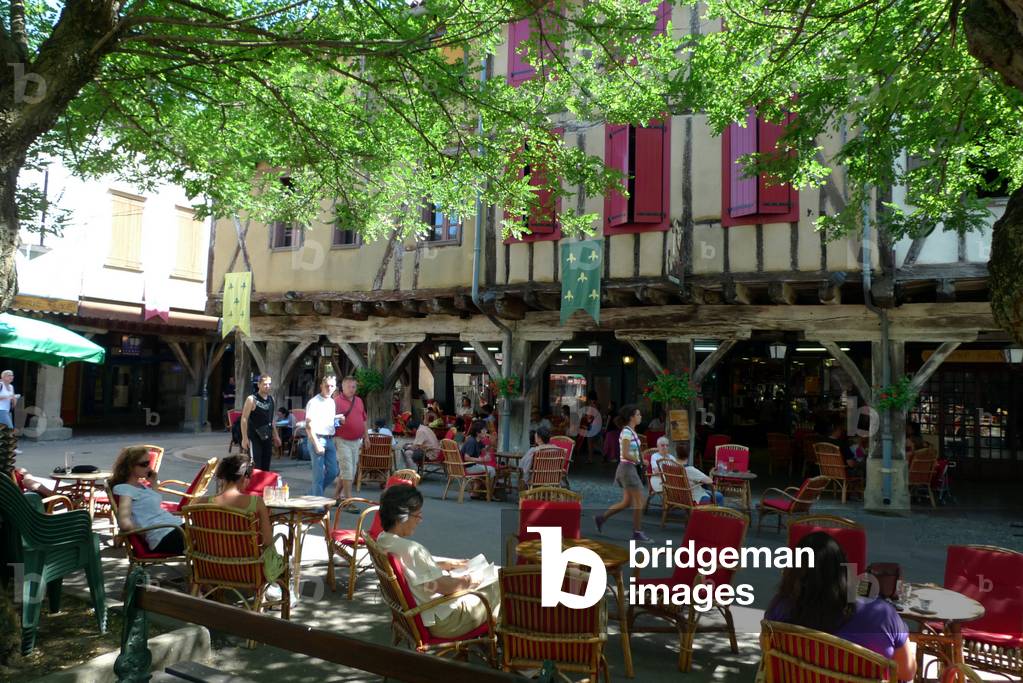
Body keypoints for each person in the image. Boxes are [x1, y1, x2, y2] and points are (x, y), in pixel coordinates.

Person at [765, 532, 917, 682]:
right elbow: (907, 673)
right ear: (844, 569)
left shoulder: (780, 607)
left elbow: (768, 653)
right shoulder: (882, 614)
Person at [374, 485, 500, 638]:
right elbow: (443, 587)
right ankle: (499, 638)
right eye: (418, 515)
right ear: (402, 516)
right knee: (499, 584)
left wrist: (442, 565)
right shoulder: (412, 549)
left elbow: (412, 571)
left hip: (422, 615)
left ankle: (490, 632)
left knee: (482, 583)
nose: (420, 521)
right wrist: (469, 580)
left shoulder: (382, 540)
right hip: (444, 621)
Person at [110, 445, 185, 554]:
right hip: (163, 536)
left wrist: (153, 483)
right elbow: (124, 522)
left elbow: (153, 506)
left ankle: (203, 569)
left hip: (175, 529)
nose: (149, 468)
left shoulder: (142, 486)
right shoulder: (124, 489)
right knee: (209, 539)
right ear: (130, 466)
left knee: (212, 533)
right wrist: (144, 532)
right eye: (144, 464)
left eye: (149, 463)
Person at [595, 405, 652, 543]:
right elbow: (626, 453)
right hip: (628, 469)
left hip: (626, 469)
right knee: (640, 501)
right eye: (638, 415)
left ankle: (601, 518)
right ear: (631, 417)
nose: (640, 417)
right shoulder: (627, 433)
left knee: (627, 502)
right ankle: (637, 532)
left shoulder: (629, 431)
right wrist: (640, 461)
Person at [333, 376, 368, 500]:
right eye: (349, 386)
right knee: (347, 469)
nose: (351, 389)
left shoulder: (358, 401)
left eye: (354, 387)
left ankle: (336, 495)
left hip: (356, 441)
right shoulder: (336, 401)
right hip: (342, 439)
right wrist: (338, 420)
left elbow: (363, 419)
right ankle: (348, 499)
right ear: (343, 387)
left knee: (350, 471)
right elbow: (329, 421)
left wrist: (366, 437)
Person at [305, 375, 341, 497]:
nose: (329, 388)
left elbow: (327, 419)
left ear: (335, 387)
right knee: (318, 475)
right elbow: (308, 425)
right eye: (327, 386)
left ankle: (312, 494)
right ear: (321, 386)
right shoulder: (314, 402)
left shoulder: (331, 402)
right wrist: (316, 443)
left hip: (330, 439)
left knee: (333, 472)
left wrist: (338, 419)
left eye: (332, 386)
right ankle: (317, 506)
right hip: (317, 438)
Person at [241, 375, 281, 471]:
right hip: (255, 437)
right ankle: (254, 485)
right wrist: (244, 438)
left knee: (266, 465)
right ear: (258, 385)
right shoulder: (251, 399)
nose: (267, 386)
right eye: (265, 384)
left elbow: (271, 420)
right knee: (255, 465)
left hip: (267, 436)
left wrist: (276, 436)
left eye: (269, 384)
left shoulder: (271, 399)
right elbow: (244, 419)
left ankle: (263, 485)